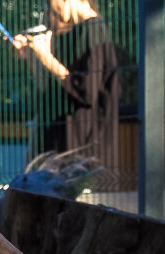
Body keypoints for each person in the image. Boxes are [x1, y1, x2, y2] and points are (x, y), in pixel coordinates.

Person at [12, 0, 119, 171]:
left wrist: (46, 57)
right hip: (62, 147)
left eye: (52, 4)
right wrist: (32, 56)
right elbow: (53, 84)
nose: (49, 12)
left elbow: (85, 91)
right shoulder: (76, 32)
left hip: (82, 151)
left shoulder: (93, 31)